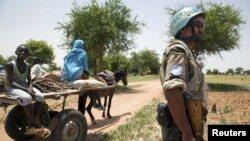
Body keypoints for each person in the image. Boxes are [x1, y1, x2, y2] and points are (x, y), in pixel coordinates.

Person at [159, 7, 208, 141]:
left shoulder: (185, 52)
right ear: (183, 29)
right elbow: (172, 90)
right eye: (198, 25)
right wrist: (187, 134)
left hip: (190, 127)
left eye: (203, 25)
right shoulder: (178, 51)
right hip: (180, 132)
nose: (202, 29)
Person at [5, 44, 51, 138]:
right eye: (20, 50)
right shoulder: (10, 65)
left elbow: (29, 80)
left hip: (25, 86)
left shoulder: (28, 66)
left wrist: (30, 88)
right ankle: (36, 125)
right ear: (16, 52)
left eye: (25, 52)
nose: (23, 53)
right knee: (27, 97)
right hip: (12, 87)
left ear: (27, 55)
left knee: (40, 96)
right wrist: (26, 89)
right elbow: (10, 82)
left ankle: (32, 123)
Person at [61, 39, 104, 110]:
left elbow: (65, 63)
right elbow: (85, 65)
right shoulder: (83, 53)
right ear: (81, 45)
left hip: (66, 74)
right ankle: (96, 103)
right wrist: (87, 72)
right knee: (93, 82)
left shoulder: (69, 53)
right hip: (77, 73)